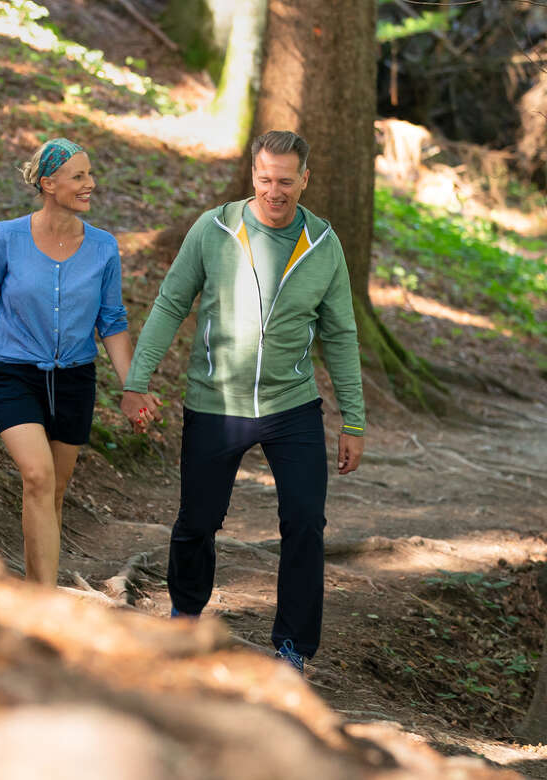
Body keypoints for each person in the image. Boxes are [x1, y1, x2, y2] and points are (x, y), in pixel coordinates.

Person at [121, 130, 365, 673]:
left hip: (292, 406)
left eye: (285, 180)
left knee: (305, 521)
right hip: (216, 402)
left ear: (305, 179)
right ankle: (186, 617)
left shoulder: (323, 244)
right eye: (264, 179)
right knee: (197, 521)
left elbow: (341, 335)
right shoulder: (214, 229)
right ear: (252, 175)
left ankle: (293, 648)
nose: (274, 191)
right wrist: (137, 380)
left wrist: (354, 418)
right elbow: (169, 304)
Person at [0, 137, 159, 586]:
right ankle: (43, 601)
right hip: (13, 375)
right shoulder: (5, 239)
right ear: (48, 183)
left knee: (54, 491)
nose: (91, 184)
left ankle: (37, 586)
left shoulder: (103, 248)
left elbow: (113, 322)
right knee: (37, 475)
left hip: (75, 381)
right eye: (79, 176)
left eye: (90, 173)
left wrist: (133, 385)